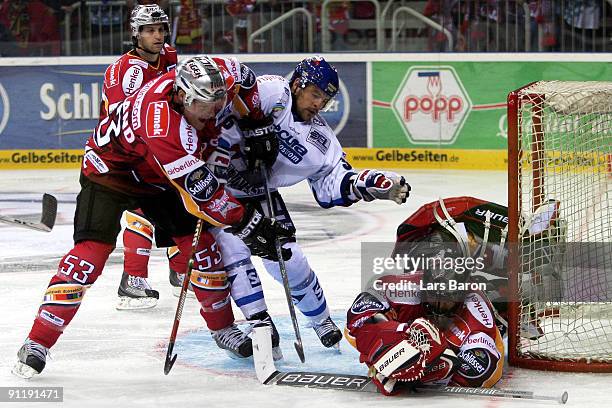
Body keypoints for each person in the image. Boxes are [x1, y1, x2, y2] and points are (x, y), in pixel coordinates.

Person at [12, 55, 291, 379]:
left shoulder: (212, 76)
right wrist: (250, 224)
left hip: (156, 176)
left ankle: (222, 328)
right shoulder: (165, 128)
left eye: (218, 101)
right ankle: (38, 341)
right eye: (205, 104)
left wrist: (257, 123)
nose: (214, 110)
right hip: (110, 173)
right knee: (89, 257)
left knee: (202, 250)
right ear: (184, 97)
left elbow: (245, 77)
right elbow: (205, 195)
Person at [210, 56, 410, 357]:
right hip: (218, 189)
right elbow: (222, 111)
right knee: (234, 254)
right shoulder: (271, 92)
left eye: (326, 99)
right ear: (297, 84)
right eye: (315, 93)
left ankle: (320, 319)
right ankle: (261, 325)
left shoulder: (323, 141)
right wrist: (222, 153)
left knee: (288, 256)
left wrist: (369, 182)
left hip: (261, 193)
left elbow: (331, 183)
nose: (319, 104)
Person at [345, 197, 508, 395]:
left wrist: (436, 364)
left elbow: (483, 370)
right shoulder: (405, 286)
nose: (441, 304)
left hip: (464, 344)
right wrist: (402, 335)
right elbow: (355, 322)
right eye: (435, 294)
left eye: (449, 298)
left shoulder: (476, 306)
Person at [98, 3, 178, 310]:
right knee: (143, 208)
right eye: (149, 30)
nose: (157, 36)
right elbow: (124, 118)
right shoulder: (127, 71)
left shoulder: (169, 56)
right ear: (136, 33)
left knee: (178, 203)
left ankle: (179, 269)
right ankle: (132, 280)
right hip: (123, 149)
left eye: (160, 29)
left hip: (158, 143)